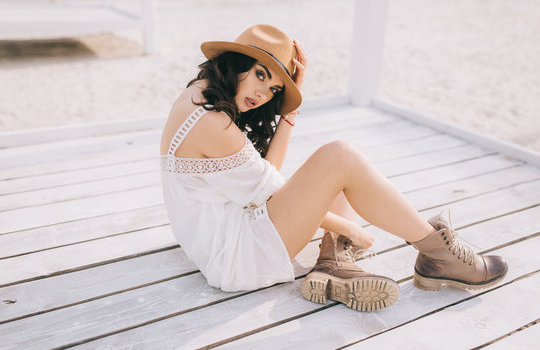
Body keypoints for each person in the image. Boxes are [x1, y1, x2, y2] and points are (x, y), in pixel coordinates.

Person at [160, 24, 508, 312]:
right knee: (340, 157)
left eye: (274, 89)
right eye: (260, 75)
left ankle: (333, 263)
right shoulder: (213, 123)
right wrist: (353, 231)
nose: (263, 94)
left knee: (338, 175)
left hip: (219, 240)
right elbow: (272, 189)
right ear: (237, 62)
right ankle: (439, 254)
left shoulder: (198, 95)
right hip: (237, 258)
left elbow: (267, 176)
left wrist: (290, 110)